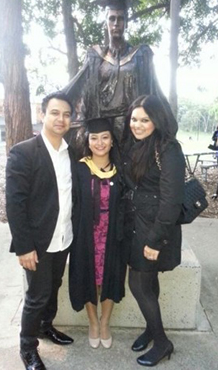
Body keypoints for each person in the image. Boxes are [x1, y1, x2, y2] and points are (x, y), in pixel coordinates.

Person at [6, 91, 77, 370]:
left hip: (64, 237)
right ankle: (28, 348)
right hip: (36, 242)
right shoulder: (24, 152)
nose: (61, 119)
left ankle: (46, 327)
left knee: (54, 286)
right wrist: (23, 247)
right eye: (55, 113)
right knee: (36, 297)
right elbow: (15, 203)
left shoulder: (71, 152)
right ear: (43, 115)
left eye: (67, 114)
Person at [121, 95, 185, 367]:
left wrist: (156, 240)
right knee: (148, 281)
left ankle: (162, 342)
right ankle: (151, 328)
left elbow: (171, 199)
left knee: (138, 282)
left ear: (157, 120)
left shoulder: (168, 149)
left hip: (156, 229)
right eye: (134, 119)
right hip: (137, 225)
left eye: (145, 120)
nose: (137, 124)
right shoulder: (137, 146)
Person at [63, 0, 177, 142]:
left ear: (126, 23)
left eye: (120, 18)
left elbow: (152, 89)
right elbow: (83, 91)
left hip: (131, 126)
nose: (116, 23)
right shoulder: (95, 56)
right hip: (103, 127)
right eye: (112, 18)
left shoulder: (140, 55)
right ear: (106, 23)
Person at [69, 118, 126, 349]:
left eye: (104, 137)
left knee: (111, 276)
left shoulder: (120, 170)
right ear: (88, 141)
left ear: (112, 141)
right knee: (88, 277)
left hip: (113, 234)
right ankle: (92, 322)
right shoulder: (80, 169)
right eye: (94, 138)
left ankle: (105, 323)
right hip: (86, 235)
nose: (99, 142)